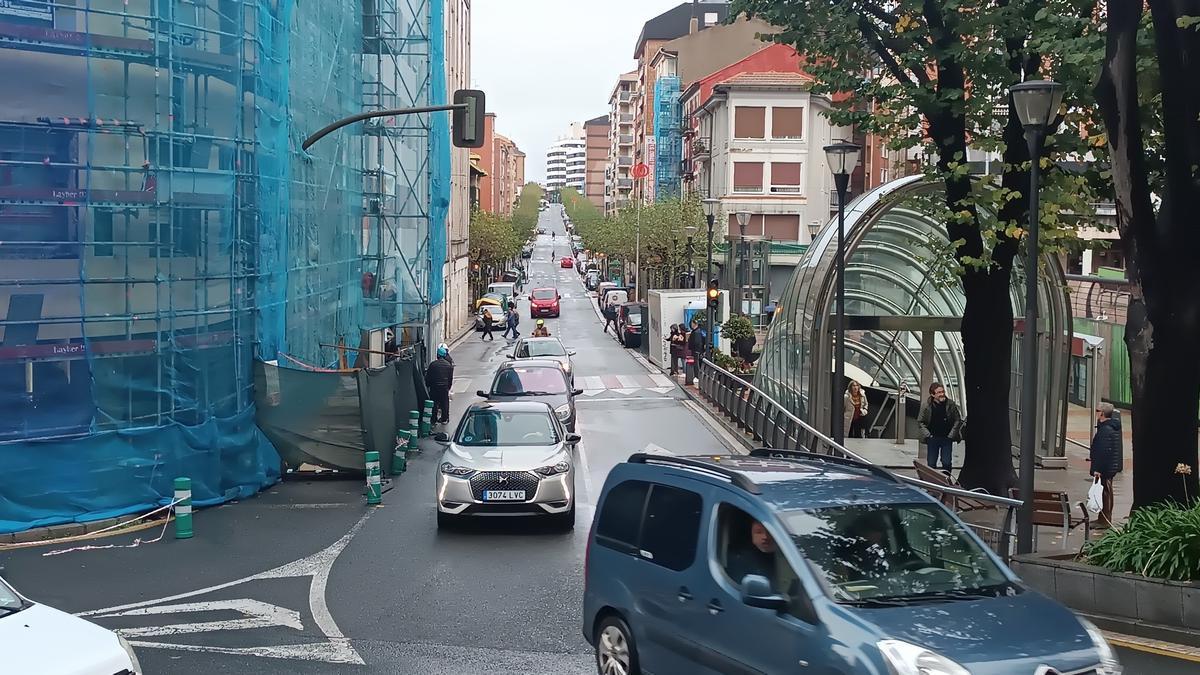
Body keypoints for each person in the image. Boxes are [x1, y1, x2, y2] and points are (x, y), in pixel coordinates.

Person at [1089, 402, 1123, 528]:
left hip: (1105, 468)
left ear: (1102, 413)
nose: (1096, 413)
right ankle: (1103, 518)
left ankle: (1104, 520)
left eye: (1097, 410)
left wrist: (1097, 469)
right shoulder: (1108, 428)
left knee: (1105, 492)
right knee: (1106, 491)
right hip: (1108, 466)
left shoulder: (1105, 430)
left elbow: (1102, 451)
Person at [918, 382, 963, 473]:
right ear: (932, 394)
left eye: (942, 392)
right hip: (933, 438)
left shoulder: (950, 404)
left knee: (946, 462)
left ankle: (946, 479)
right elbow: (920, 421)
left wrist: (951, 435)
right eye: (939, 392)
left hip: (946, 438)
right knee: (931, 463)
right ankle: (931, 481)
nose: (942, 394)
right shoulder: (926, 406)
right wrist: (928, 435)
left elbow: (957, 420)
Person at [725, 520, 778, 588]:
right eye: (759, 532)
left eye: (769, 532)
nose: (765, 537)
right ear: (751, 534)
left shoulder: (788, 556)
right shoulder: (740, 559)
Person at [424, 344, 454, 425]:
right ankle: (444, 418)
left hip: (434, 387)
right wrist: (448, 387)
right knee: (445, 402)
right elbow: (450, 379)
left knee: (434, 402)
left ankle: (433, 419)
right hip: (444, 387)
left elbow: (428, 377)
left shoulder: (433, 365)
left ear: (437, 355)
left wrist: (428, 385)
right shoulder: (449, 366)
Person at [686, 319, 706, 385]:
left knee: (696, 363)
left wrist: (694, 348)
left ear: (694, 324)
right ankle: (697, 376)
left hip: (696, 350)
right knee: (696, 363)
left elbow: (697, 342)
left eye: (692, 323)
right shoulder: (697, 331)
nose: (691, 325)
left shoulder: (696, 332)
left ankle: (697, 376)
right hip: (696, 350)